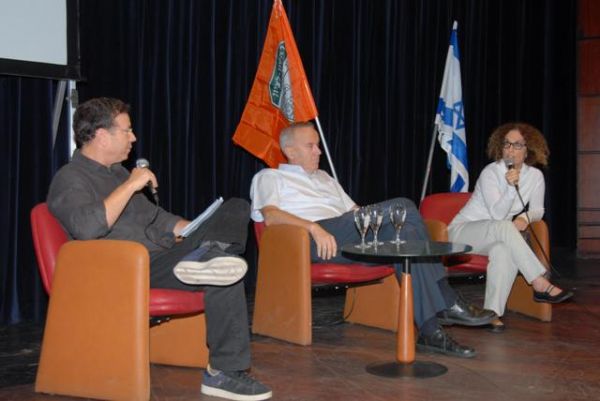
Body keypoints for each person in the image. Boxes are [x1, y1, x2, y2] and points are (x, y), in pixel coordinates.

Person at [47, 97, 272, 401]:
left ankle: (208, 254)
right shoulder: (70, 178)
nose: (134, 138)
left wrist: (200, 228)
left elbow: (159, 219)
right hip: (125, 268)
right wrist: (130, 186)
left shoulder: (118, 173)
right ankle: (225, 372)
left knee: (235, 209)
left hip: (160, 259)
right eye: (127, 130)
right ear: (101, 136)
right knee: (223, 266)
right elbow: (87, 228)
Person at [249, 122, 496, 359]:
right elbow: (271, 216)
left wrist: (386, 223)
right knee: (403, 205)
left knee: (406, 237)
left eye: (318, 145)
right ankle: (447, 300)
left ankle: (431, 332)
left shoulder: (325, 178)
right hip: (309, 241)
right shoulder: (270, 177)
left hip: (347, 237)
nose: (318, 151)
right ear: (290, 151)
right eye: (310, 146)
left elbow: (357, 212)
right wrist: (313, 227)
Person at [448, 122, 573, 332]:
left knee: (503, 250)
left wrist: (524, 217)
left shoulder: (535, 176)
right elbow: (497, 214)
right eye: (506, 144)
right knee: (505, 226)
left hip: (495, 234)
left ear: (528, 150)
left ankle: (491, 314)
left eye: (517, 145)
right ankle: (539, 282)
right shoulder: (491, 172)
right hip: (462, 232)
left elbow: (538, 210)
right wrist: (510, 187)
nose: (510, 150)